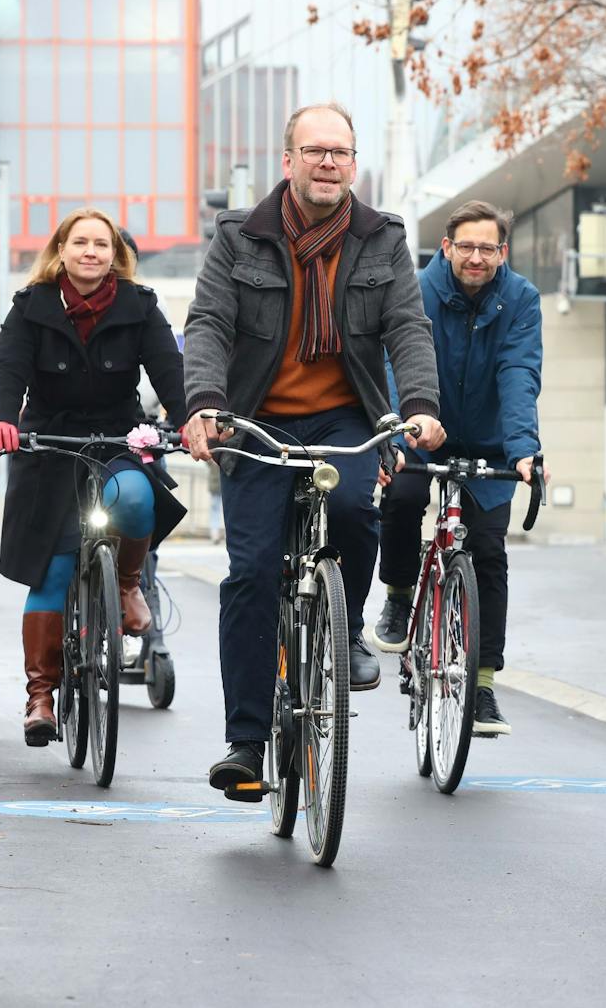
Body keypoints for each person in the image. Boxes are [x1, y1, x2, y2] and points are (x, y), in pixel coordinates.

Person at [182, 102, 446, 795]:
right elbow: (208, 322)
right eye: (315, 150)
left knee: (359, 512)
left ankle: (344, 626)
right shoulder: (240, 237)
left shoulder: (381, 238)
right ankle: (246, 741)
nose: (329, 163)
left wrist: (418, 408)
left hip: (344, 419)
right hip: (258, 421)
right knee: (251, 573)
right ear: (288, 160)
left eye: (340, 152)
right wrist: (205, 403)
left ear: (353, 165)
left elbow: (407, 328)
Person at [0, 208, 188, 746]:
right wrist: (1, 420)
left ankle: (124, 586)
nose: (91, 251)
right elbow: (6, 369)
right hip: (49, 442)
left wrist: (190, 420)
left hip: (118, 436)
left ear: (115, 254)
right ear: (62, 250)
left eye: (102, 243)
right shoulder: (32, 307)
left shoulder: (139, 306)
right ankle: (41, 697)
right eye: (81, 243)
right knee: (51, 571)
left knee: (137, 498)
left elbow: (169, 368)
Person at [366, 201, 544, 736]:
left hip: (490, 442)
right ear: (446, 247)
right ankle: (398, 597)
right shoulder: (416, 288)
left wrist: (523, 449)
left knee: (488, 551)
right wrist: (400, 429)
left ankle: (483, 684)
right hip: (420, 427)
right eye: (465, 246)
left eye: (487, 248)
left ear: (502, 252)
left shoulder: (521, 299)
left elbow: (519, 372)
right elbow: (396, 362)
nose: (475, 257)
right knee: (399, 499)